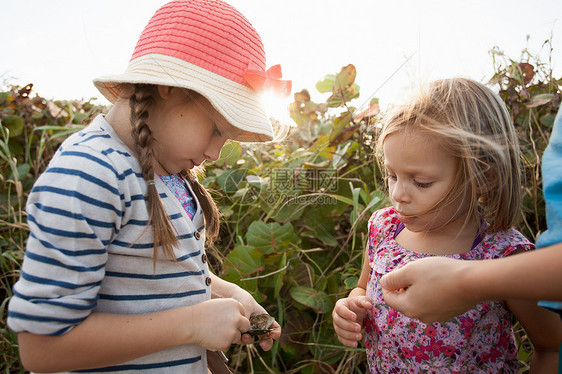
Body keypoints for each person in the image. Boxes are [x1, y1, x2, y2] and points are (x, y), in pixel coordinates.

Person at [7, 0, 290, 372]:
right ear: (169, 88)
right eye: (218, 129)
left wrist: (224, 292)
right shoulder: (90, 173)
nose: (216, 153)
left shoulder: (169, 175)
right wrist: (192, 324)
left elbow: (151, 279)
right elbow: (42, 349)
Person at [332, 78, 562, 373]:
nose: (398, 194)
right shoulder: (385, 228)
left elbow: (550, 346)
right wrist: (351, 307)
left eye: (421, 182)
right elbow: (363, 289)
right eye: (392, 176)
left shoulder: (503, 255)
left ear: (483, 175)